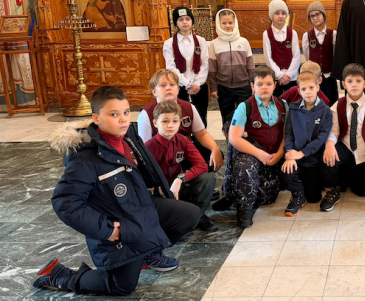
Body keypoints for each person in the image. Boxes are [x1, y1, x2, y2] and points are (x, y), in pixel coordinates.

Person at [34, 87, 199, 295]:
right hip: (118, 225)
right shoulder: (86, 157)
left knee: (189, 215)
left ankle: (148, 253)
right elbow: (64, 202)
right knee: (122, 287)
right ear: (96, 118)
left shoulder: (129, 137)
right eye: (114, 114)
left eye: (126, 112)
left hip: (138, 207)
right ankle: (59, 275)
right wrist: (108, 230)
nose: (123, 119)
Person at [224, 66, 288, 228]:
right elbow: (234, 138)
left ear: (275, 85)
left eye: (268, 84)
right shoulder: (244, 107)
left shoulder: (283, 105)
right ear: (253, 86)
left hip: (274, 154)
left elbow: (287, 134)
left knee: (267, 197)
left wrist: (280, 154)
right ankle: (244, 210)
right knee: (244, 167)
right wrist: (259, 154)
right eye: (260, 84)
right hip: (252, 152)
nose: (264, 87)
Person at [145, 101, 219, 231]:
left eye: (175, 121)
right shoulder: (148, 147)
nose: (170, 125)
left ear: (180, 123)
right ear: (155, 123)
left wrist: (181, 178)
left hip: (179, 186)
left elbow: (202, 165)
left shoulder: (183, 140)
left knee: (208, 178)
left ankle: (198, 215)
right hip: (160, 192)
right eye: (165, 121)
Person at [138, 69, 224, 172]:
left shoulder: (189, 107)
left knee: (212, 154)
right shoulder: (146, 114)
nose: (168, 88)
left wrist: (215, 148)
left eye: (172, 84)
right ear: (154, 91)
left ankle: (192, 176)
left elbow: (202, 134)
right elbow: (145, 147)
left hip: (185, 152)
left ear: (178, 89)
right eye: (163, 85)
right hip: (162, 157)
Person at [324, 63, 365, 197]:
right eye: (350, 81)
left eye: (358, 81)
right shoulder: (337, 105)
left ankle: (350, 174)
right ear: (344, 84)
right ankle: (334, 187)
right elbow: (334, 130)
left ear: (364, 83)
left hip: (363, 151)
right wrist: (329, 144)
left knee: (362, 191)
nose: (354, 85)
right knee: (327, 160)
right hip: (345, 146)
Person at [282, 71, 335, 215]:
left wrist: (302, 153)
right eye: (303, 89)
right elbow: (289, 134)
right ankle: (297, 195)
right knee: (287, 169)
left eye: (311, 87)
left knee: (313, 198)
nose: (308, 92)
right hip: (295, 155)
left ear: (318, 87)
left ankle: (309, 190)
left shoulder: (326, 111)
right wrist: (290, 153)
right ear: (299, 91)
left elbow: (322, 137)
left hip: (313, 158)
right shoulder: (293, 109)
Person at [208, 9, 256, 130]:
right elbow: (212, 69)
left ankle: (244, 141)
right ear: (218, 24)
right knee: (227, 117)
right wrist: (213, 88)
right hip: (224, 87)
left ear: (235, 23)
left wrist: (253, 84)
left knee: (244, 116)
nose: (227, 26)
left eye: (230, 22)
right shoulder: (214, 44)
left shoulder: (243, 42)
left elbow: (250, 66)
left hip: (243, 86)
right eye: (224, 23)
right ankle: (229, 140)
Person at [163, 7, 210, 127]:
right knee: (182, 117)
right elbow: (171, 67)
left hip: (199, 85)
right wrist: (187, 84)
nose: (185, 22)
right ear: (176, 23)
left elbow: (205, 63)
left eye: (187, 19)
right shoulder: (169, 43)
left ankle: (201, 139)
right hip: (179, 85)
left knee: (201, 116)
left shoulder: (201, 41)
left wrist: (197, 84)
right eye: (181, 19)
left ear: (192, 21)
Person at [302, 1, 339, 104]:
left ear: (323, 15)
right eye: (312, 16)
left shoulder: (333, 34)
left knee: (331, 102)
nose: (315, 18)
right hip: (314, 77)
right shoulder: (307, 36)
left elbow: (335, 54)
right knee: (316, 102)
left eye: (317, 14)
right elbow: (307, 55)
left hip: (329, 75)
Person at [263, 0, 300, 97]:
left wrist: (289, 74)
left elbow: (296, 56)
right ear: (271, 15)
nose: (280, 16)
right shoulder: (267, 34)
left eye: (283, 13)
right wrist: (279, 75)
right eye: (277, 13)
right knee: (276, 102)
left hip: (291, 77)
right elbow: (268, 57)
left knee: (293, 101)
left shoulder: (292, 33)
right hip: (275, 77)